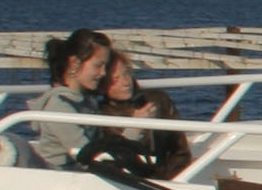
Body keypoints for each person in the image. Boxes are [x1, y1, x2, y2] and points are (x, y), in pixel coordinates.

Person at [79, 45, 191, 182]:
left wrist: (167, 179)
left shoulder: (158, 99)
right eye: (115, 80)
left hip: (169, 178)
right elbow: (114, 158)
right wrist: (136, 127)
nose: (126, 82)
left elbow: (180, 150)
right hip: (132, 183)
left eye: (126, 74)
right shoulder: (103, 116)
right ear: (103, 86)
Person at [15, 29, 113, 166]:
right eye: (98, 66)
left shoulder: (88, 101)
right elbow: (86, 154)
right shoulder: (59, 106)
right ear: (74, 63)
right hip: (61, 177)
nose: (103, 73)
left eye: (106, 66)